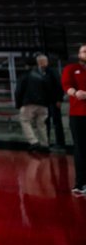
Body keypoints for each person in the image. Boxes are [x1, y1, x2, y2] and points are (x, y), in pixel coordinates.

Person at [60, 43, 86, 196]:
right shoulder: (71, 68)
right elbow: (66, 85)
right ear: (79, 54)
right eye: (83, 51)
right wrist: (75, 93)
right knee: (81, 149)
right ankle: (81, 183)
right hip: (78, 115)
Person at [15, 57, 52, 153]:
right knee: (41, 124)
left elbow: (19, 91)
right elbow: (48, 90)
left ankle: (33, 141)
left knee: (25, 120)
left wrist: (18, 104)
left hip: (29, 102)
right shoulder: (43, 75)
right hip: (43, 104)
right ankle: (45, 144)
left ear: (26, 66)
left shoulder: (24, 76)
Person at [36, 54, 67, 150]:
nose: (42, 64)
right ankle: (45, 142)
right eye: (40, 62)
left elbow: (60, 85)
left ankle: (60, 143)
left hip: (54, 101)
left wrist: (59, 99)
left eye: (43, 61)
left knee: (57, 122)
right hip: (44, 102)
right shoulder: (38, 72)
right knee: (45, 122)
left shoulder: (52, 71)